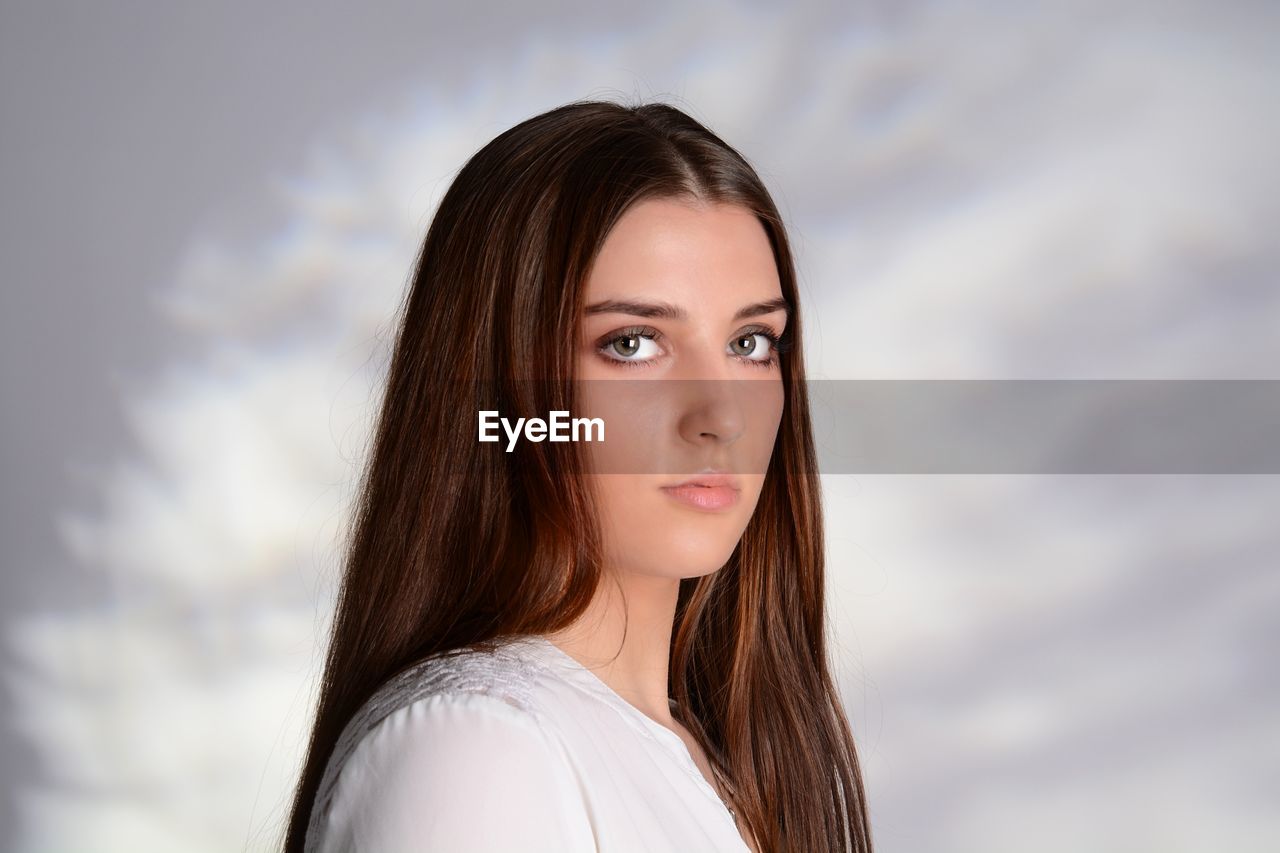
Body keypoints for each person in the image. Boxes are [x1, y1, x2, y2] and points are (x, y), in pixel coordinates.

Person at [283, 99, 875, 853]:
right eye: (632, 343)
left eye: (752, 342)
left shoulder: (709, 762)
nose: (719, 415)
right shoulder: (479, 750)